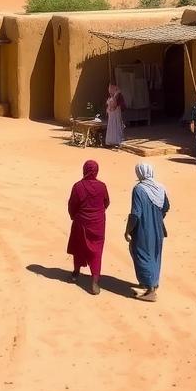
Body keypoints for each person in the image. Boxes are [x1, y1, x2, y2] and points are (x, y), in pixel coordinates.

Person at [125, 163, 170, 301]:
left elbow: (135, 214)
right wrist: (157, 217)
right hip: (157, 228)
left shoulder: (139, 189)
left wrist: (128, 230)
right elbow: (166, 206)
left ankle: (150, 290)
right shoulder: (160, 188)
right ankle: (153, 283)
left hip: (143, 229)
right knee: (155, 255)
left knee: (142, 255)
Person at [66, 159, 110, 295]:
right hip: (98, 224)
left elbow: (72, 205)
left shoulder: (78, 186)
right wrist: (97, 213)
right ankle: (95, 281)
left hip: (81, 223)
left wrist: (74, 216)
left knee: (79, 247)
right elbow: (106, 202)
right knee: (96, 252)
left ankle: (76, 272)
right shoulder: (102, 186)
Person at [105, 82, 126, 148]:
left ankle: (117, 140)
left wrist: (111, 105)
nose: (110, 90)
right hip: (111, 115)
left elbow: (114, 105)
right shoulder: (112, 95)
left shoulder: (118, 95)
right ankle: (111, 140)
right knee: (111, 125)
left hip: (115, 113)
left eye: (111, 88)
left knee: (116, 125)